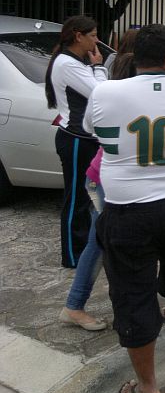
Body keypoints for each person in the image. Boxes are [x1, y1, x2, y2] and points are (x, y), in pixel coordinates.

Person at [86, 24, 165, 393]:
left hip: (129, 209)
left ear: (135, 58)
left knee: (132, 291)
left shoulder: (106, 91)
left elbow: (98, 136)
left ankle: (148, 387)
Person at [59, 54, 139, 331]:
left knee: (105, 241)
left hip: (107, 177)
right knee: (104, 242)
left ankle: (80, 305)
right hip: (104, 179)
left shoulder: (114, 98)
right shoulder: (126, 101)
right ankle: (77, 305)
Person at [45, 15, 108, 268]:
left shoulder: (76, 61)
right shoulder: (67, 64)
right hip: (75, 139)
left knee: (86, 197)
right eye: (92, 35)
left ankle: (86, 248)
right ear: (77, 35)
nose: (97, 40)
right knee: (75, 198)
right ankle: (72, 256)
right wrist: (99, 67)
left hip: (86, 138)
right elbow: (100, 93)